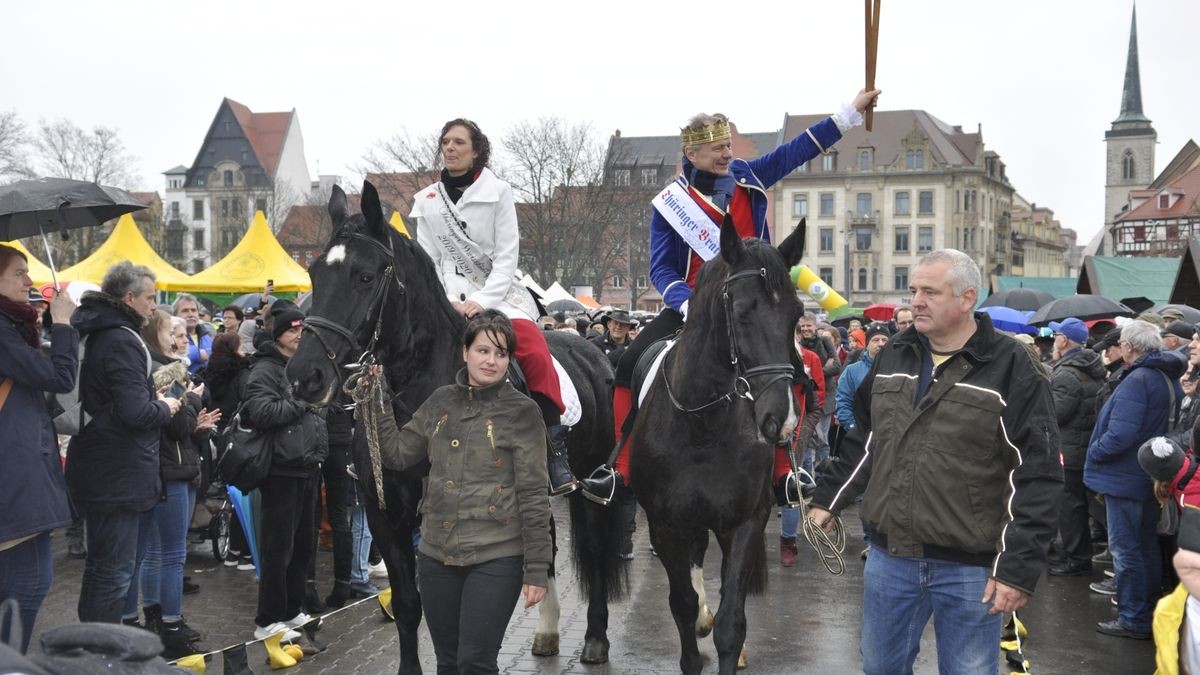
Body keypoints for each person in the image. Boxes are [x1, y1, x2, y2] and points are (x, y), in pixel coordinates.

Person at [584, 88, 881, 501]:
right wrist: (684, 300)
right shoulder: (671, 204)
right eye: (716, 148)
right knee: (630, 363)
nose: (725, 154)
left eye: (726, 145)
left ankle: (785, 471)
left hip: (753, 304)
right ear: (691, 153)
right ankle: (621, 467)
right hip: (693, 305)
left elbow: (799, 149)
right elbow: (661, 267)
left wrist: (849, 114)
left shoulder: (751, 177)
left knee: (793, 370)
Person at [807, 249, 1061, 674]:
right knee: (880, 668)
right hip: (889, 560)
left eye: (930, 291)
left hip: (970, 570)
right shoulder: (894, 355)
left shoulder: (1012, 367)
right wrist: (827, 498)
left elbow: (1036, 475)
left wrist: (1015, 570)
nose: (915, 302)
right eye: (913, 291)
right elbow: (865, 439)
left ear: (967, 298)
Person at [371, 310, 551, 674]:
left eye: (501, 354)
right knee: (448, 662)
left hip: (496, 555)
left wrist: (537, 569)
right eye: (483, 350)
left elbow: (534, 495)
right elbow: (397, 453)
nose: (492, 360)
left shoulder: (523, 413)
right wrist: (376, 401)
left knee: (475, 663)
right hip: (436, 554)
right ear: (464, 351)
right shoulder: (440, 401)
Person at [408, 118, 575, 496]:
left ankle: (553, 446)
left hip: (498, 296)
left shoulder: (498, 192)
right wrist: (448, 299)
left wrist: (482, 302)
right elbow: (429, 261)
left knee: (532, 346)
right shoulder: (427, 201)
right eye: (445, 141)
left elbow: (506, 258)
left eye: (458, 143)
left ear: (476, 150)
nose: (449, 148)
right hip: (446, 298)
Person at [67, 261, 182, 623]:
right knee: (113, 574)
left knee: (105, 570)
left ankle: (94, 650)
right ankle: (98, 655)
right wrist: (164, 406)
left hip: (107, 470)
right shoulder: (120, 338)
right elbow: (136, 414)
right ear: (129, 297)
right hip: (117, 475)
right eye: (150, 298)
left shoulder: (104, 331)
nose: (154, 306)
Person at [124, 309, 218, 657]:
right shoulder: (169, 373)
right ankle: (171, 622)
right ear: (156, 335)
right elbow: (177, 427)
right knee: (172, 553)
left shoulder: (147, 369)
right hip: (173, 469)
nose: (179, 339)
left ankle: (153, 617)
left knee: (151, 552)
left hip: (160, 467)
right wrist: (193, 399)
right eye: (172, 333)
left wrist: (194, 418)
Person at [1084, 319, 1186, 640]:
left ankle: (1133, 617)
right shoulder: (1165, 376)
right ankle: (1145, 613)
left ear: (1128, 347)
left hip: (1126, 476)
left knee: (1126, 549)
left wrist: (1095, 451)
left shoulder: (1139, 378)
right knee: (1145, 546)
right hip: (1148, 473)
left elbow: (1120, 433)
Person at [0, 244, 78, 651]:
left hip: (18, 476)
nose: (29, 282)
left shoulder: (13, 329)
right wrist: (62, 323)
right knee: (27, 587)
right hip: (13, 481)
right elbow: (60, 377)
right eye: (18, 273)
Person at [244, 302, 328, 641]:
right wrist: (302, 402)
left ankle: (292, 610)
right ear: (278, 334)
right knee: (277, 550)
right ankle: (268, 619)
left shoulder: (303, 364)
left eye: (302, 329)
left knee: (303, 547)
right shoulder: (265, 368)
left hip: (307, 467)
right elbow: (260, 411)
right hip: (281, 469)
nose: (299, 334)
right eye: (293, 329)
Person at [1045, 317, 1107, 578]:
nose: (1054, 341)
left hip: (1069, 451)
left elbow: (1056, 413)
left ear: (1064, 340)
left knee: (1070, 508)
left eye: (1057, 335)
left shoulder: (1067, 373)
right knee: (1081, 505)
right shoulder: (1090, 367)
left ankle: (1076, 558)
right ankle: (1079, 553)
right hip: (1081, 447)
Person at [172, 293, 212, 375]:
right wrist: (197, 353)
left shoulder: (207, 337)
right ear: (175, 315)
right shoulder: (170, 336)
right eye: (185, 311)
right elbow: (170, 356)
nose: (191, 314)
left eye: (194, 310)